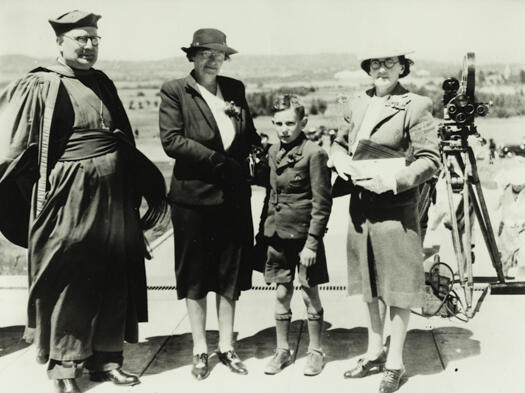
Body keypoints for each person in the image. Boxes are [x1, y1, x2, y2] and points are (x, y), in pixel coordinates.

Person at [0, 11, 166, 393]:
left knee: (112, 273)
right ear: (59, 42)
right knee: (68, 278)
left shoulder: (102, 81)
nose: (89, 46)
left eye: (94, 38)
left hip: (114, 193)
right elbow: (12, 147)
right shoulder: (40, 83)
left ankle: (106, 360)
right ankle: (64, 368)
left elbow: (121, 135)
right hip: (69, 194)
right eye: (80, 39)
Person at [330, 50, 440, 393]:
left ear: (403, 67)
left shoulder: (416, 105)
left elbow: (429, 160)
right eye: (375, 64)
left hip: (395, 209)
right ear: (367, 69)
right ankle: (374, 351)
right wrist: (339, 161)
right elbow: (337, 143)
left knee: (398, 287)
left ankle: (395, 363)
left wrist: (393, 182)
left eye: (389, 63)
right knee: (369, 282)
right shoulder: (355, 103)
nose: (381, 69)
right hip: (361, 206)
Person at [159, 28, 261, 380]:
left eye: (220, 53)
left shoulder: (235, 89)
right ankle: (200, 348)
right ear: (192, 56)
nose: (213, 58)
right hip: (194, 200)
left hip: (233, 199)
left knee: (230, 274)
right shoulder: (176, 90)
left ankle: (227, 346)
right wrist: (221, 164)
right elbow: (172, 141)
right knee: (196, 276)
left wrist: (259, 157)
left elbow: (249, 135)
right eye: (206, 52)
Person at [262, 95, 332, 376]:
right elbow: (271, 197)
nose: (284, 129)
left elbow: (322, 202)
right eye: (278, 123)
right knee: (281, 292)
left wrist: (313, 243)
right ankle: (282, 350)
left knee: (308, 293)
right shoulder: (272, 151)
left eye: (290, 123)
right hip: (277, 236)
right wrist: (262, 234)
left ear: (303, 122)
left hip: (304, 240)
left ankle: (315, 351)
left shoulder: (314, 153)